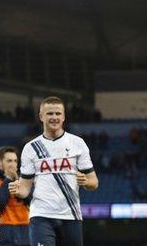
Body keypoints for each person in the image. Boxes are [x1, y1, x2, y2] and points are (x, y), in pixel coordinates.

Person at [8, 96, 99, 246]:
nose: (54, 117)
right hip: (41, 215)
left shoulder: (77, 143)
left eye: (58, 113)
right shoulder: (31, 148)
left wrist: (86, 182)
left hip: (71, 215)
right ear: (41, 116)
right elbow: (25, 189)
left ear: (64, 116)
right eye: (50, 113)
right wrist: (18, 190)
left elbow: (94, 182)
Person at [0, 146, 31, 245]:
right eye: (9, 161)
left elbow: (32, 204)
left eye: (15, 161)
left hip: (23, 229)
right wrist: (8, 179)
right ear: (0, 163)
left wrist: (19, 185)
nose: (13, 164)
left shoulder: (24, 182)